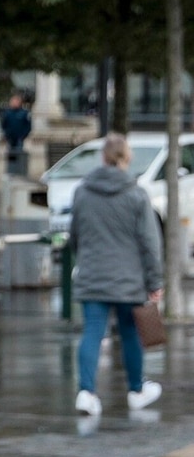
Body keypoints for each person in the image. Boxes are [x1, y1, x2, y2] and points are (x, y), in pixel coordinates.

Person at [69, 131, 162, 418]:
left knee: (92, 333)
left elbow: (75, 235)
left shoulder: (83, 192)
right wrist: (154, 281)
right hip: (129, 279)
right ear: (126, 157)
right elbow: (149, 242)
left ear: (103, 157)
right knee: (130, 333)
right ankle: (136, 390)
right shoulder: (136, 194)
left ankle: (86, 392)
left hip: (93, 274)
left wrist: (83, 259)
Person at [0, 93, 35, 182]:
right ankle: (11, 172)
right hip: (10, 138)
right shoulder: (7, 113)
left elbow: (28, 126)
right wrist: (6, 134)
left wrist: (24, 135)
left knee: (19, 155)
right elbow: (3, 124)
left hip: (20, 139)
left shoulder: (24, 113)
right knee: (11, 156)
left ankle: (20, 172)